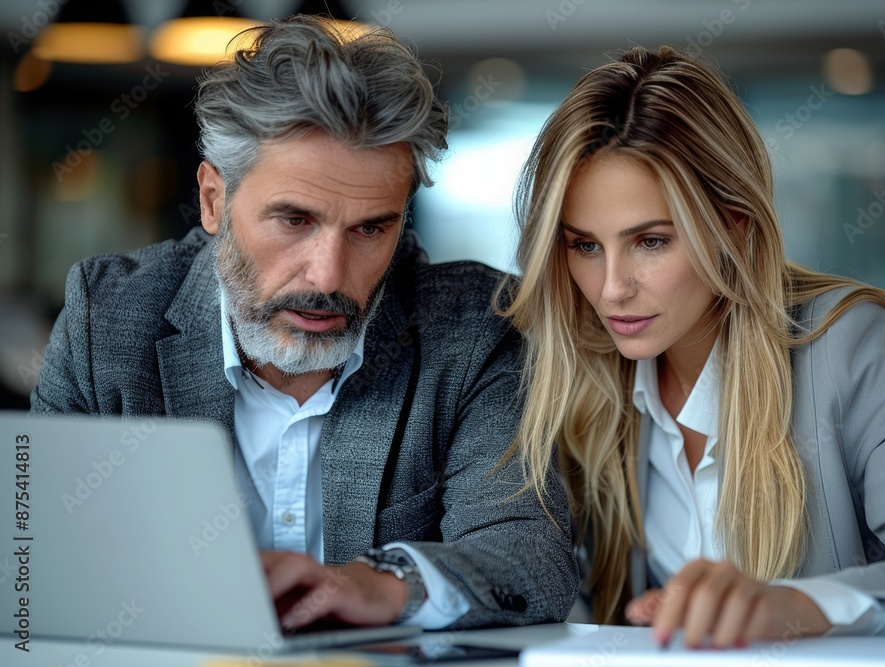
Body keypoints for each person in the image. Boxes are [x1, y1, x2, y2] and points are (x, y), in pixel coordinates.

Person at [30, 15, 577, 631]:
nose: (327, 277)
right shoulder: (107, 317)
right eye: (294, 220)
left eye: (371, 228)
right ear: (214, 200)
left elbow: (532, 561)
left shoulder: (472, 328)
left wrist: (386, 582)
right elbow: (33, 554)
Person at [497, 45, 885, 647]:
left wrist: (789, 606)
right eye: (584, 246)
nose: (611, 289)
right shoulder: (580, 366)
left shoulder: (846, 345)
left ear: (734, 224)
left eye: (651, 242)